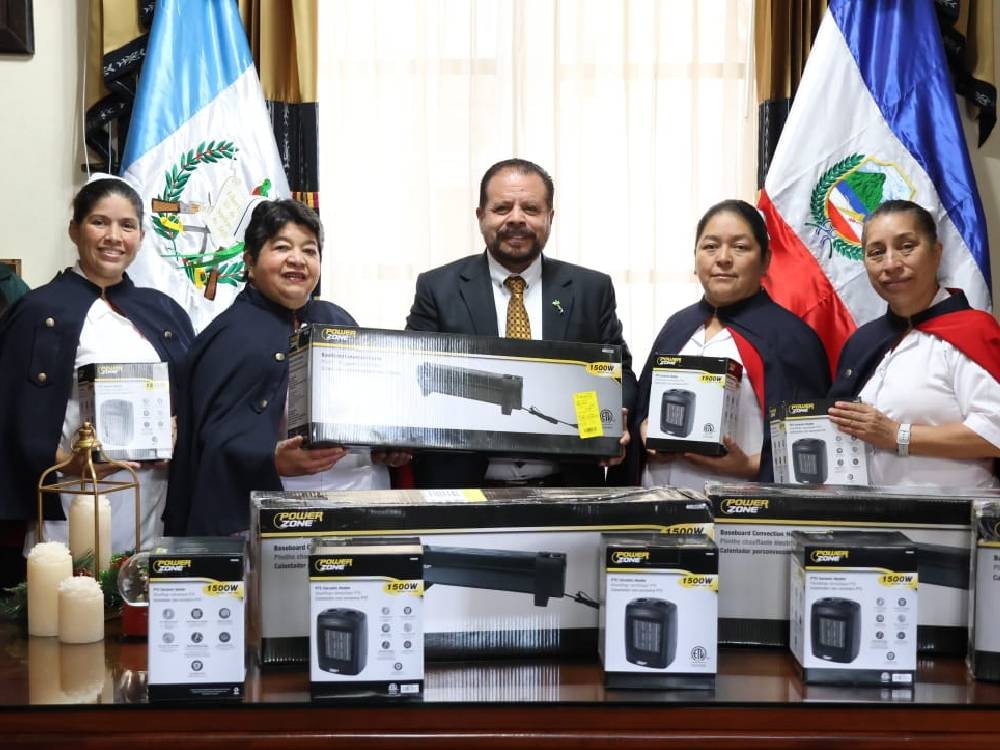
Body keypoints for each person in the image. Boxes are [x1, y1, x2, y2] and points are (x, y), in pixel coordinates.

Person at [165, 199, 408, 537]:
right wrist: (271, 460)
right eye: (282, 247)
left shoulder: (337, 320)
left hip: (362, 500)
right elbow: (209, 442)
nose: (298, 259)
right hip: (276, 514)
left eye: (310, 250)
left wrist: (388, 446)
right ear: (250, 261)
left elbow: (374, 409)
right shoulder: (227, 336)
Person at [0, 175, 195, 570]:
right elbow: (10, 415)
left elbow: (192, 398)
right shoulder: (38, 311)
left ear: (141, 236)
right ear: (74, 229)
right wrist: (68, 463)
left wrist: (178, 429)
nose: (113, 236)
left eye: (127, 226)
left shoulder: (164, 311)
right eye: (99, 222)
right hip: (72, 495)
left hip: (151, 498)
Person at [405, 158, 635, 488]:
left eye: (530, 208)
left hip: (566, 489)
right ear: (480, 216)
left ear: (549, 217)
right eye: (501, 208)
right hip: (463, 490)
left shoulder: (591, 289)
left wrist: (615, 415)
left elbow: (619, 372)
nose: (516, 219)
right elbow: (413, 373)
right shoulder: (438, 288)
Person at [634, 199, 830, 488]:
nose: (723, 258)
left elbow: (814, 441)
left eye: (740, 247)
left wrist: (751, 465)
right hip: (657, 506)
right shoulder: (676, 326)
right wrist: (642, 428)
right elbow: (642, 408)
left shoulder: (792, 338)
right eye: (710, 246)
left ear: (766, 260)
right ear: (695, 256)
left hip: (745, 515)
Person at [828, 200, 1000, 488]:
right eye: (876, 253)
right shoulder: (863, 342)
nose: (892, 264)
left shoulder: (973, 330)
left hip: (953, 523)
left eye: (907, 246)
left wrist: (897, 434)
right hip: (868, 521)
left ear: (936, 253)